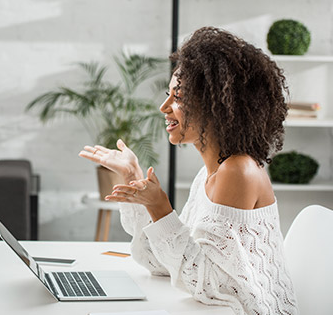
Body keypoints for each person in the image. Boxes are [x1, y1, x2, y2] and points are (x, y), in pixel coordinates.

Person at [79, 26, 297, 315]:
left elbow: (206, 284)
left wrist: (161, 208)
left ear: (216, 104)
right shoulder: (210, 172)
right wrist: (133, 175)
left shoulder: (239, 171)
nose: (164, 106)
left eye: (178, 97)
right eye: (168, 94)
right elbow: (166, 263)